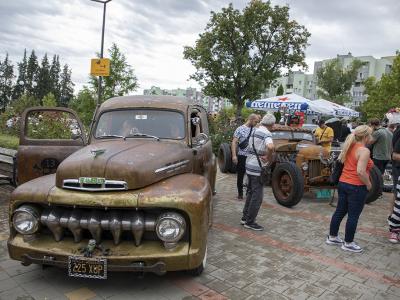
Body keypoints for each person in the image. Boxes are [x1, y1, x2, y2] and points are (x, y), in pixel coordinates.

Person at [326, 125, 373, 253]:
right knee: (353, 216)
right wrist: (368, 184)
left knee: (340, 211)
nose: (372, 137)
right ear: (365, 136)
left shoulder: (349, 146)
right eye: (370, 135)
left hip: (343, 183)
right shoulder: (364, 151)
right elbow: (360, 172)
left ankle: (333, 236)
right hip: (356, 186)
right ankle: (348, 243)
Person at [240, 113, 275, 231]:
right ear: (271, 124)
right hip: (257, 168)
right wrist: (268, 157)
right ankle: (250, 222)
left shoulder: (255, 130)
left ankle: (245, 218)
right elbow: (270, 147)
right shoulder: (266, 133)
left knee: (250, 192)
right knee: (257, 196)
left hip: (249, 165)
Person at [231, 114, 259, 200]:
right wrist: (234, 155)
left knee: (251, 176)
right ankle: (240, 193)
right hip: (242, 156)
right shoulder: (240, 129)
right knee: (240, 175)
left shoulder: (256, 130)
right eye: (255, 121)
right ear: (251, 119)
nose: (256, 123)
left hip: (252, 157)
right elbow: (234, 142)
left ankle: (248, 193)